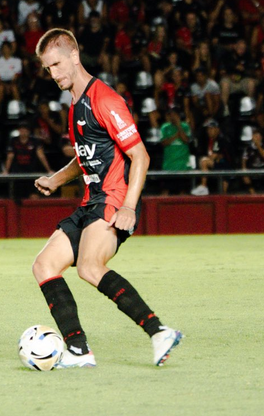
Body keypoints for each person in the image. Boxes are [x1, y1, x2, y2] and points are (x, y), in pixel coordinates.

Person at [31, 28, 182, 368]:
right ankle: (79, 351)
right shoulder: (75, 103)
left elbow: (140, 156)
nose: (53, 74)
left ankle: (160, 332)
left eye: (56, 64)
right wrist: (56, 179)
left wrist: (129, 205)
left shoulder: (105, 100)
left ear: (74, 55)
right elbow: (84, 155)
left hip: (114, 198)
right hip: (90, 201)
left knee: (88, 266)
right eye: (47, 69)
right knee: (43, 265)